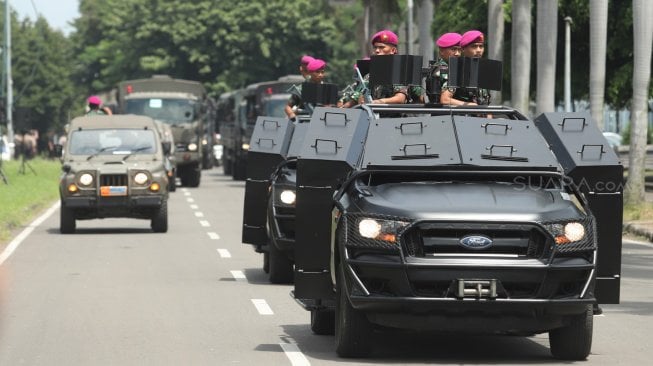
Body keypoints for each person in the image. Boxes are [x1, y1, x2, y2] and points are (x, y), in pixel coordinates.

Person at [368, 30, 424, 104]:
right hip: (374, 114)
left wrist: (380, 102)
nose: (377, 50)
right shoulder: (371, 74)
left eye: (382, 47)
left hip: (397, 114)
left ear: (393, 50)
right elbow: (360, 97)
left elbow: (400, 99)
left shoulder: (400, 72)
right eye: (375, 47)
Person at [451, 30, 491, 105]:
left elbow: (486, 100)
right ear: (463, 49)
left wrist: (488, 115)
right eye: (474, 46)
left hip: (481, 115)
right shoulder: (456, 69)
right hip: (461, 115)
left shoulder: (483, 69)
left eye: (481, 46)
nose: (479, 50)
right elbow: (445, 99)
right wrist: (469, 105)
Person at [434, 32, 469, 105]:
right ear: (441, 51)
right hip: (449, 114)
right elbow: (445, 100)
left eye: (459, 50)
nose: (457, 54)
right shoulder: (447, 70)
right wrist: (468, 105)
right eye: (453, 49)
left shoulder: (436, 66)